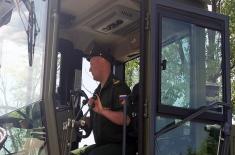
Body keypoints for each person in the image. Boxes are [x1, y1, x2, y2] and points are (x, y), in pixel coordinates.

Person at [71, 42, 136, 155]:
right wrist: (83, 122)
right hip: (102, 146)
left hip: (120, 146)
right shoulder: (97, 92)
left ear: (102, 62)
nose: (90, 69)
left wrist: (102, 111)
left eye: (91, 64)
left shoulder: (119, 87)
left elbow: (126, 119)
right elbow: (98, 123)